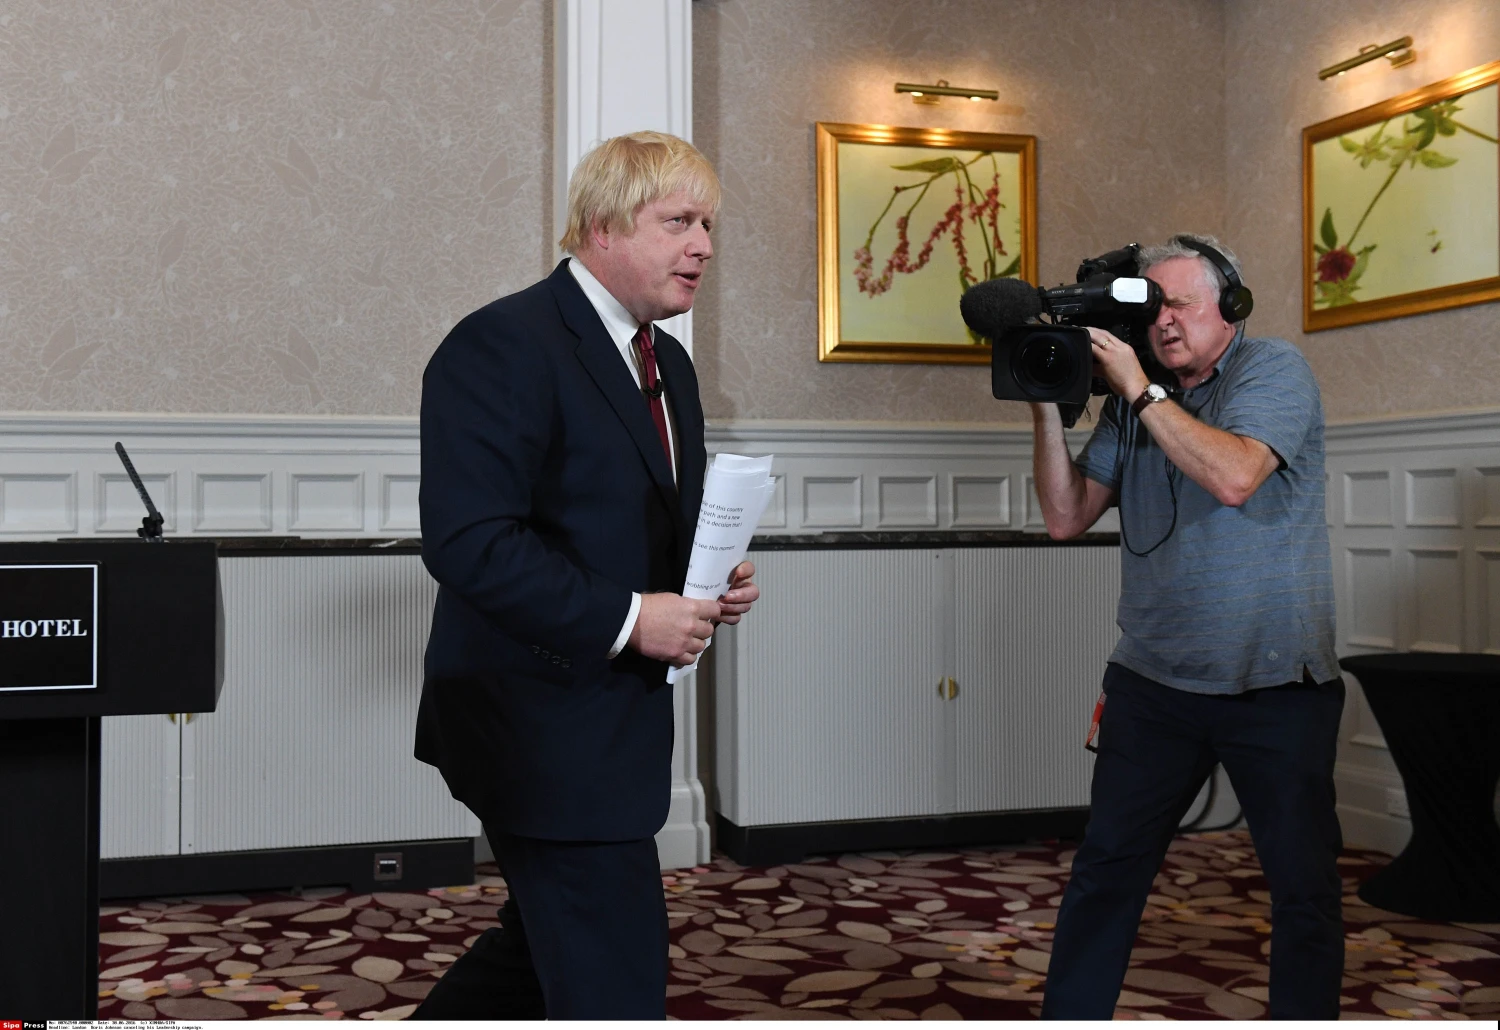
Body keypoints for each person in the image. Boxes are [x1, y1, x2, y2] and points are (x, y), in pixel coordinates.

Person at [410, 130, 759, 1020]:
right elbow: (470, 542)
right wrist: (634, 618)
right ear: (603, 227)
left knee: (537, 957)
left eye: (708, 225)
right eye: (679, 222)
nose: (704, 246)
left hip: (611, 723)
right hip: (534, 725)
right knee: (614, 985)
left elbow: (632, 520)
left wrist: (708, 580)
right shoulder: (502, 343)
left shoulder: (668, 361)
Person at [1032, 234, 1344, 1020]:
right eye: (1152, 307)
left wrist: (1139, 389)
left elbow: (1236, 475)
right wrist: (1043, 398)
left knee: (1302, 885)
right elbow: (1066, 517)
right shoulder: (1131, 401)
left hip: (1276, 683)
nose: (1162, 320)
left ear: (1229, 305)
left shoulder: (1272, 368)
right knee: (1107, 867)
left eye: (1179, 302)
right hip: (1153, 683)